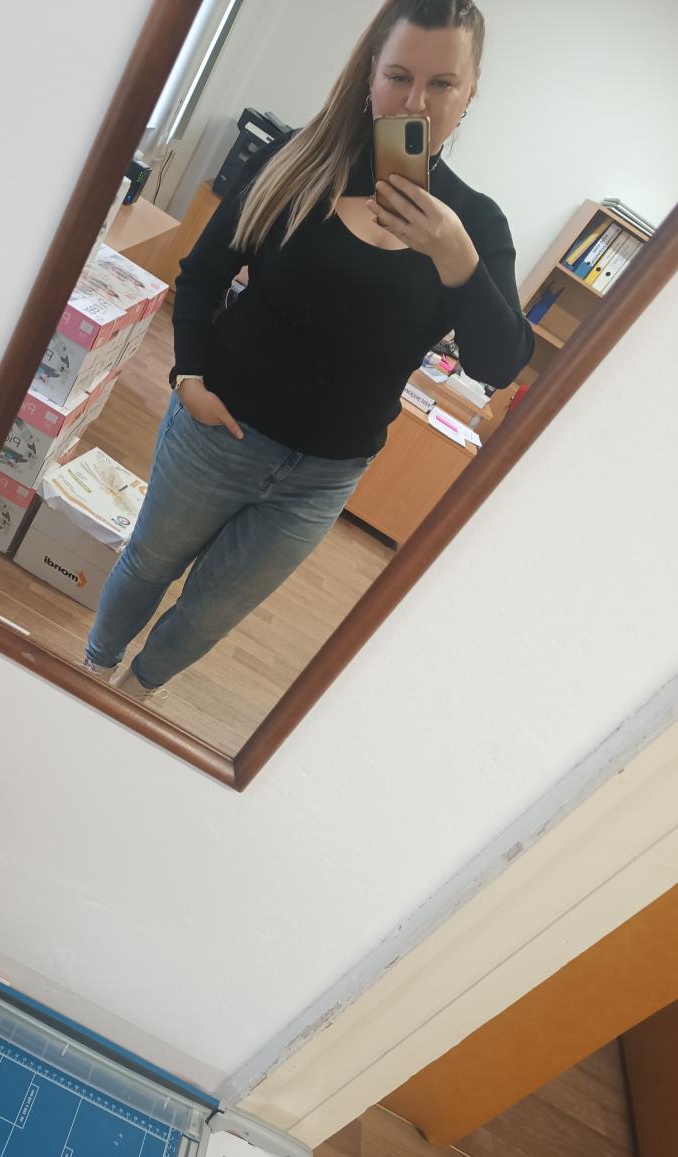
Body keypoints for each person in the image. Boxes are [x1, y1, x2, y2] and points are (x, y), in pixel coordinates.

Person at [84, 0, 533, 701]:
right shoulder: (299, 160)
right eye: (399, 76)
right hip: (215, 431)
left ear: (471, 93)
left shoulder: (474, 224)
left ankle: (130, 698)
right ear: (371, 77)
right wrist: (188, 375)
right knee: (147, 564)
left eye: (442, 84)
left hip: (322, 478)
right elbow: (202, 274)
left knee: (209, 616)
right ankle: (89, 674)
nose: (416, 102)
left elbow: (498, 364)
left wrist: (455, 256)